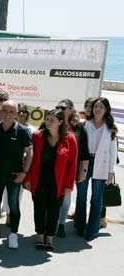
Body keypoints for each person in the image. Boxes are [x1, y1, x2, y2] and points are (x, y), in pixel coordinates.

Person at [0, 100, 33, 249]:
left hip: (15, 176)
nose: (8, 114)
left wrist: (24, 173)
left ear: (16, 113)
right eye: (5, 111)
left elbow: (30, 152)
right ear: (0, 112)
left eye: (11, 112)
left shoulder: (23, 131)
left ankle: (13, 235)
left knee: (13, 206)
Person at [24, 109, 77, 250]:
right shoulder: (37, 136)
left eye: (51, 120)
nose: (48, 122)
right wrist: (28, 178)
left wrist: (69, 185)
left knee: (54, 210)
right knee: (39, 208)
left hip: (58, 182)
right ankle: (40, 237)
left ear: (60, 122)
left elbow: (72, 164)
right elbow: (31, 159)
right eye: (47, 119)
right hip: (39, 179)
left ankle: (50, 238)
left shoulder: (70, 139)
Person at [74, 97, 117, 241]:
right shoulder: (85, 124)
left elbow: (113, 151)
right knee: (81, 196)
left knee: (96, 199)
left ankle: (92, 230)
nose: (97, 109)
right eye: (96, 107)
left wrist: (111, 171)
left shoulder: (110, 127)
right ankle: (79, 226)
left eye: (101, 107)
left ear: (106, 110)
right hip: (85, 162)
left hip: (102, 164)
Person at [55, 99, 90, 238]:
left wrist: (83, 171)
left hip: (70, 170)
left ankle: (61, 224)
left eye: (63, 108)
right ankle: (49, 224)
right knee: (50, 198)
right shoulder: (49, 122)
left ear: (71, 109)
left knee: (65, 198)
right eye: (57, 107)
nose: (59, 109)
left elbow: (84, 152)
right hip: (51, 169)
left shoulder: (79, 128)